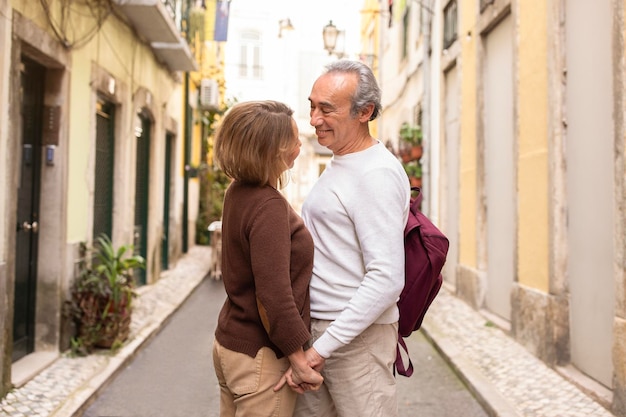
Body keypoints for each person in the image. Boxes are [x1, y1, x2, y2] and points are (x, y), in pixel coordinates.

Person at [278, 60, 411, 416]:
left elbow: (386, 278)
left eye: (326, 109)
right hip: (322, 330)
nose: (314, 119)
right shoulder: (343, 161)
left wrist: (322, 348)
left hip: (355, 340)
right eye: (312, 106)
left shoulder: (376, 173)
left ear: (364, 112)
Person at [212, 100, 323, 416]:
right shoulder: (268, 205)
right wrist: (299, 361)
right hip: (259, 358)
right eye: (292, 138)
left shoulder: (237, 191)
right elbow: (274, 297)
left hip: (230, 346)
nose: (300, 143)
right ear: (272, 149)